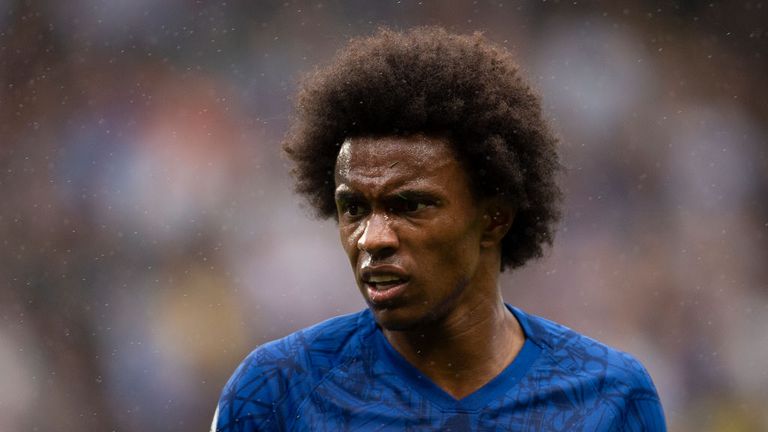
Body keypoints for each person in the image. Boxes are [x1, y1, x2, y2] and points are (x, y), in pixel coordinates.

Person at [212, 27, 666, 431]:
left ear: (493, 219)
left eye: (408, 205)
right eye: (353, 208)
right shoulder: (276, 392)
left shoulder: (610, 398)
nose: (373, 238)